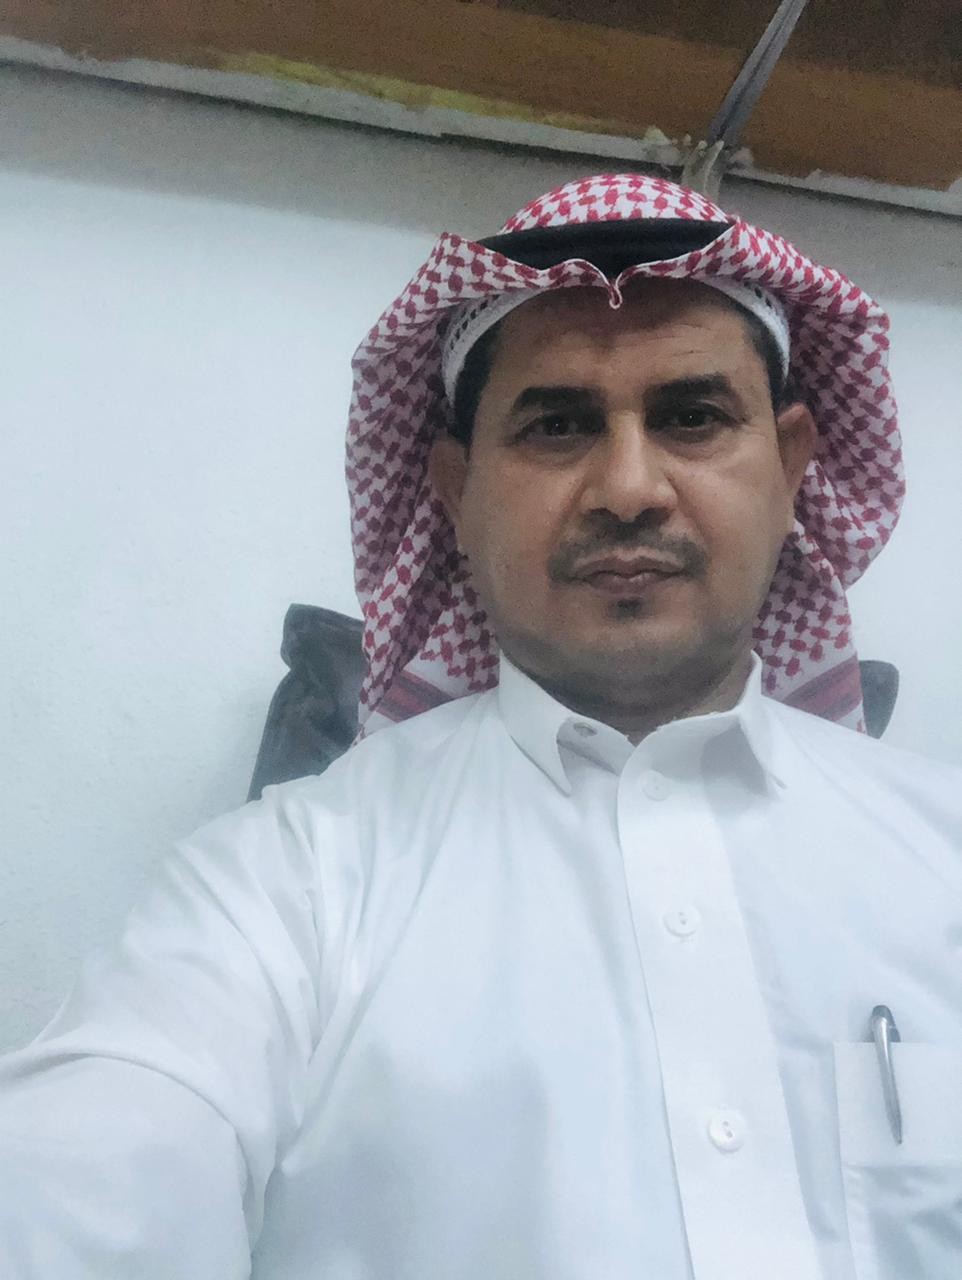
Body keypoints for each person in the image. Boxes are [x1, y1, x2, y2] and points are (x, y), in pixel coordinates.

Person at [1, 172, 959, 1280]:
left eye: (691, 417)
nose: (629, 487)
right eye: (557, 425)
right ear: (454, 490)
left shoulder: (940, 855)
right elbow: (95, 1160)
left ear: (791, 466)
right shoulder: (289, 887)